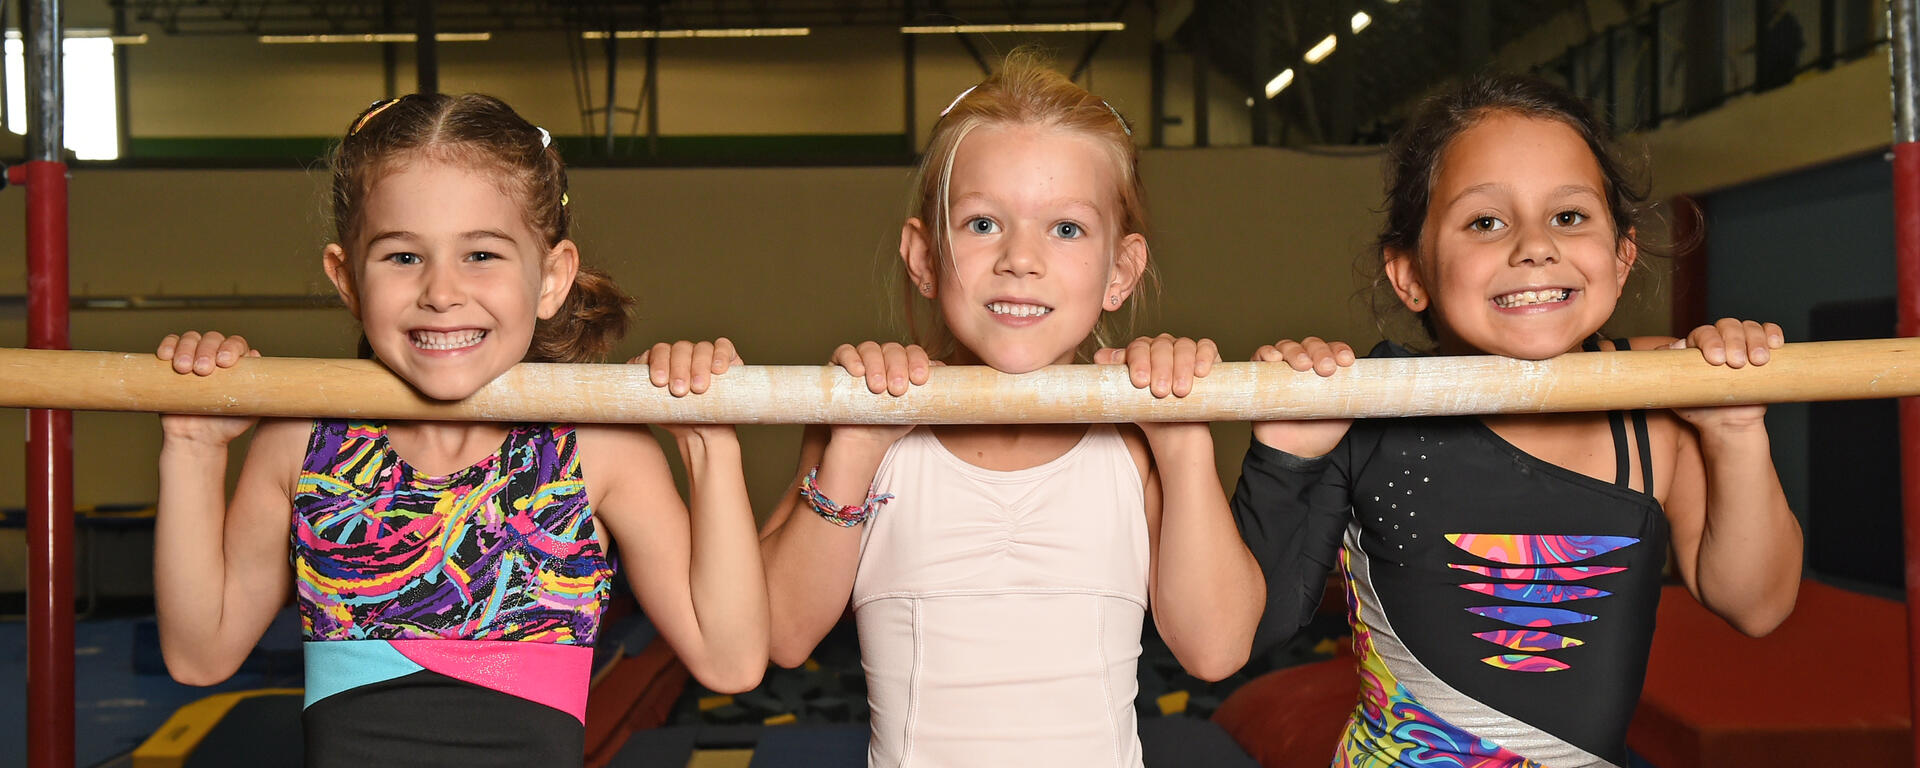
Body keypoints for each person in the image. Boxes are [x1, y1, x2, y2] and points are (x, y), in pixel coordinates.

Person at [151, 93, 768, 767]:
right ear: (348, 279)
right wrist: (192, 446)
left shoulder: (595, 452)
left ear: (551, 278)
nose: (441, 292)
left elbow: (730, 660)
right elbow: (199, 654)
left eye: (480, 255)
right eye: (402, 257)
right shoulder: (305, 446)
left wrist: (711, 442)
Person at [1234, 73, 1802, 768]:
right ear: (1409, 272)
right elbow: (1244, 631)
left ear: (1622, 258)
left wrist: (1736, 430)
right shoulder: (1368, 401)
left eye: (1568, 217)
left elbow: (1757, 604)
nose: (1535, 245)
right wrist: (1283, 460)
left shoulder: (1663, 392)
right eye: (1485, 221)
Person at [757, 52, 1264, 767]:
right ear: (926, 257)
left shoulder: (1138, 443)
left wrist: (1184, 445)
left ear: (1120, 270)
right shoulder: (868, 425)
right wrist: (857, 446)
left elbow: (1216, 649)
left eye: (1066, 230)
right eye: (983, 224)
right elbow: (780, 633)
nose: (1020, 259)